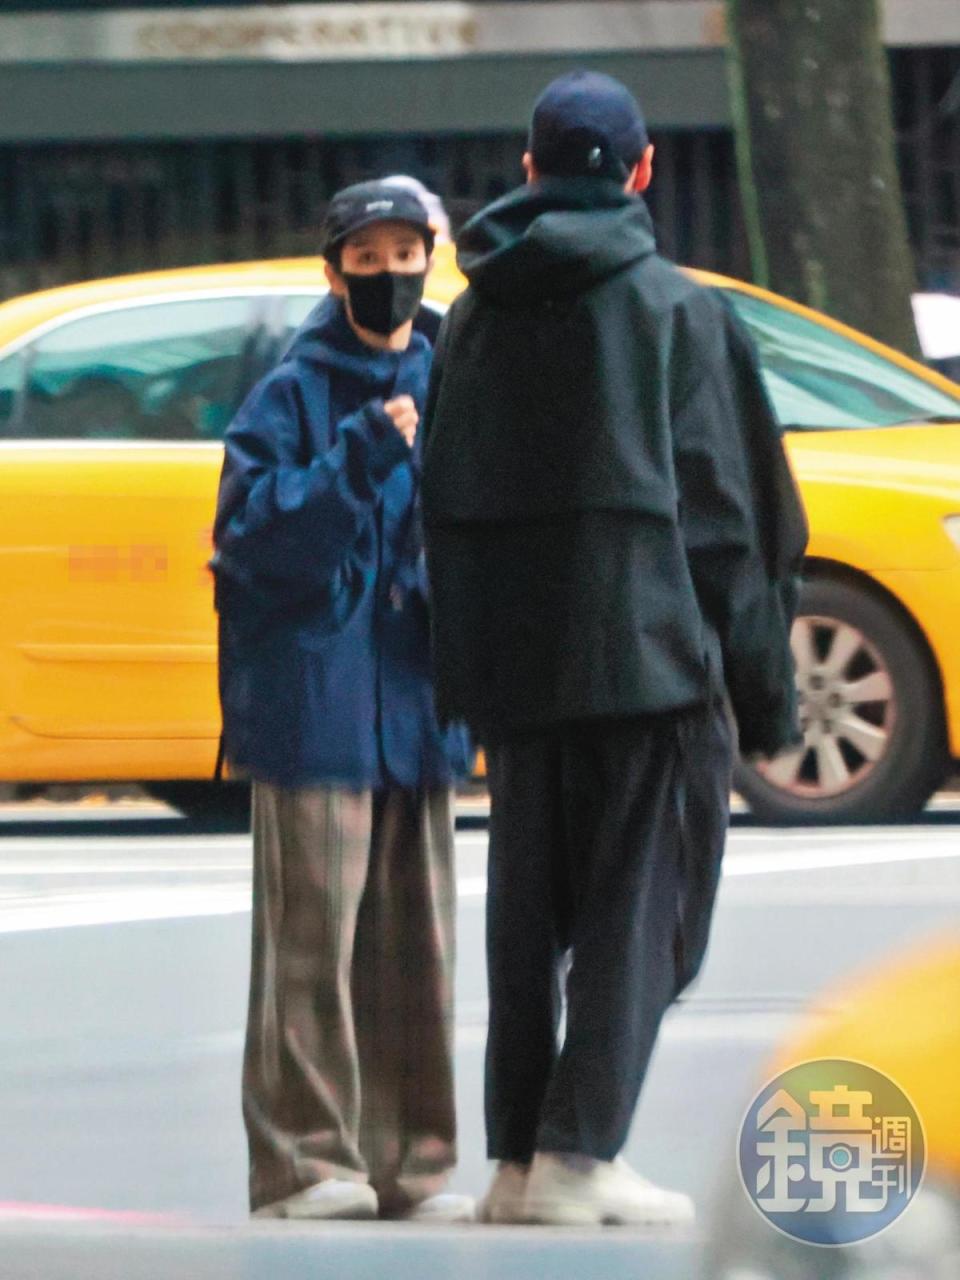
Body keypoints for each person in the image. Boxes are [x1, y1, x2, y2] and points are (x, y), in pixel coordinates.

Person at [422, 71, 808, 1228]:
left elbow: (438, 492)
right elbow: (732, 523)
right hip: (651, 662)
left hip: (520, 673)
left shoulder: (478, 317)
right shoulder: (678, 312)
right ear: (641, 171)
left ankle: (516, 1156)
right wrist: (766, 689)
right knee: (648, 911)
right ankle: (580, 1149)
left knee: (526, 915)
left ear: (531, 167)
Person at [212, 180, 473, 1223]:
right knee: (311, 947)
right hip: (314, 700)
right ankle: (306, 1163)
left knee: (421, 946)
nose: (388, 272)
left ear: (432, 257)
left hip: (419, 698)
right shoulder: (292, 391)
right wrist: (359, 456)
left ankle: (414, 1162)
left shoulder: (460, 372)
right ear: (333, 273)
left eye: (405, 251)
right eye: (365, 258)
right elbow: (254, 542)